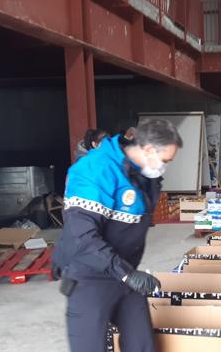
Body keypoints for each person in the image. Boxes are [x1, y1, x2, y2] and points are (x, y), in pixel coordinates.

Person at [52, 119, 183, 352]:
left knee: (142, 343)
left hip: (124, 271)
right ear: (149, 149)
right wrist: (126, 275)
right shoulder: (95, 170)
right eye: (165, 161)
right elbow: (82, 235)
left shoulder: (143, 175)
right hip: (90, 276)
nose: (165, 167)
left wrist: (127, 274)